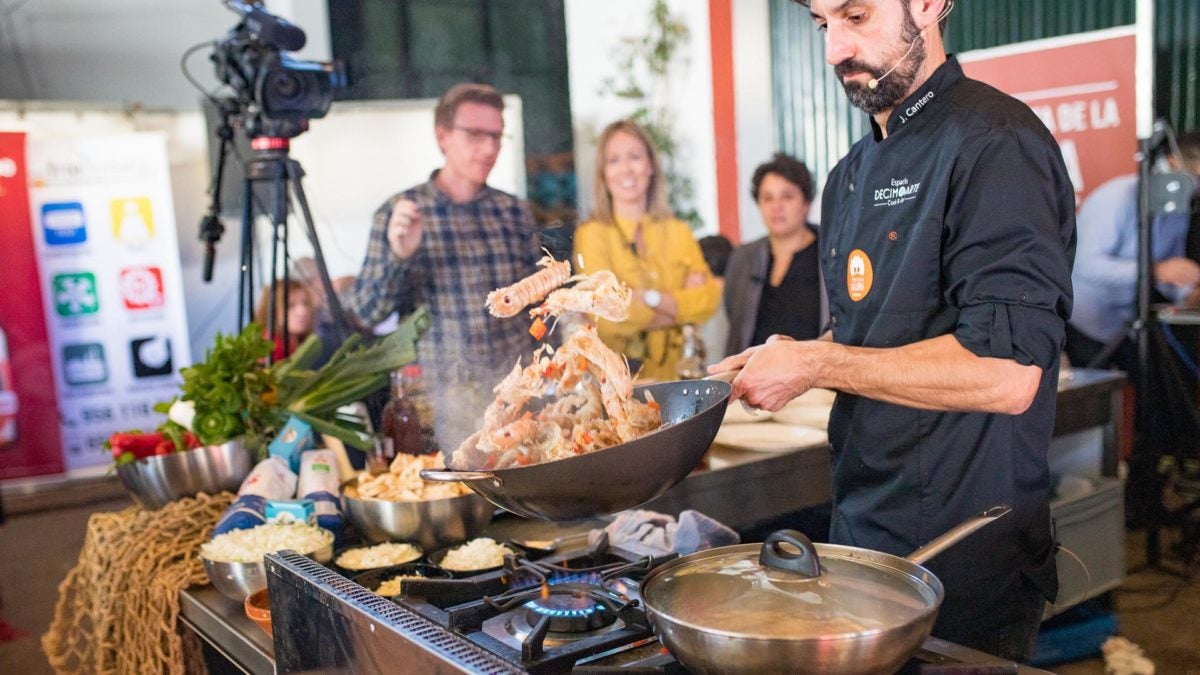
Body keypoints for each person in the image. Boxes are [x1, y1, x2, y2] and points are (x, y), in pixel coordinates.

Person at [712, 0, 1076, 661]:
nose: (834, 50)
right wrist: (794, 352)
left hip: (964, 551)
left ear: (931, 5)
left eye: (856, 15)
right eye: (824, 25)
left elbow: (1008, 373)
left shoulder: (996, 143)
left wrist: (818, 366)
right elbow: (874, 333)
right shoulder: (847, 179)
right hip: (862, 538)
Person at [341, 83, 541, 450]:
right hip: (437, 403)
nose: (490, 148)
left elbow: (541, 307)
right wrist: (398, 255)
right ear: (443, 136)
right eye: (476, 134)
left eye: (497, 136)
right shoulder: (401, 212)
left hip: (516, 399)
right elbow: (366, 313)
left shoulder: (512, 211)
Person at [572, 119, 721, 380]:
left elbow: (708, 301)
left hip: (681, 382)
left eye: (635, 157)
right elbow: (606, 320)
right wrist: (680, 307)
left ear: (651, 166)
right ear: (603, 173)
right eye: (614, 160)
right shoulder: (591, 235)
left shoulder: (679, 231)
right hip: (621, 386)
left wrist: (647, 299)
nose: (626, 169)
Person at [1067, 130, 1200, 371]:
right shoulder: (1118, 197)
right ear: (1172, 163)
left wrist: (1187, 294)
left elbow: (1170, 271)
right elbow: (1084, 265)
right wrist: (1155, 271)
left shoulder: (1179, 210)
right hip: (1085, 322)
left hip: (1127, 323)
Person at [724, 153, 827, 357]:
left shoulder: (831, 253)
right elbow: (735, 323)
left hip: (817, 379)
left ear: (806, 202)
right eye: (767, 198)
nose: (776, 207)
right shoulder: (743, 259)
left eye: (787, 196)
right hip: (751, 378)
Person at [254, 279, 314, 361]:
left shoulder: (304, 343)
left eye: (305, 303)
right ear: (273, 311)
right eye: (290, 306)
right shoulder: (269, 349)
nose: (302, 311)